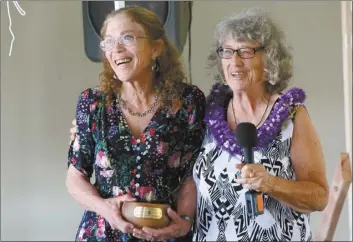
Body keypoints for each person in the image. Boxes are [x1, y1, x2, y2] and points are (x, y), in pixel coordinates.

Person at [66, 6, 205, 242]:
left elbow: (190, 176)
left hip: (164, 234)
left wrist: (184, 222)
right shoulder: (92, 103)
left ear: (156, 47)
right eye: (108, 42)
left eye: (127, 38)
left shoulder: (188, 101)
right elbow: (75, 177)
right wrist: (104, 208)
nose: (116, 49)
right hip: (103, 233)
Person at [192, 8, 329, 241]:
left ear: (269, 59)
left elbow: (319, 197)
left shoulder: (292, 116)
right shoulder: (206, 115)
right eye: (227, 51)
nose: (234, 61)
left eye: (245, 51)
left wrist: (272, 184)